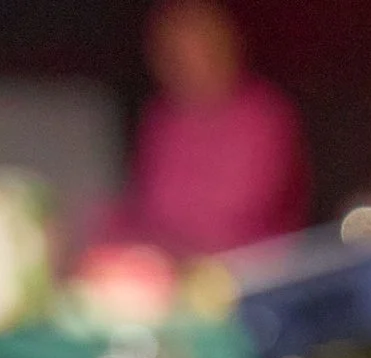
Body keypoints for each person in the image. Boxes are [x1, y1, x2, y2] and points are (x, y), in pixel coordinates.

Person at [100, 0, 308, 258]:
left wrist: (151, 242)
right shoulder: (160, 118)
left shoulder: (263, 115)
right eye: (170, 53)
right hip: (170, 270)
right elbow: (143, 205)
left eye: (191, 50)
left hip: (249, 276)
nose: (180, 65)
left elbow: (230, 220)